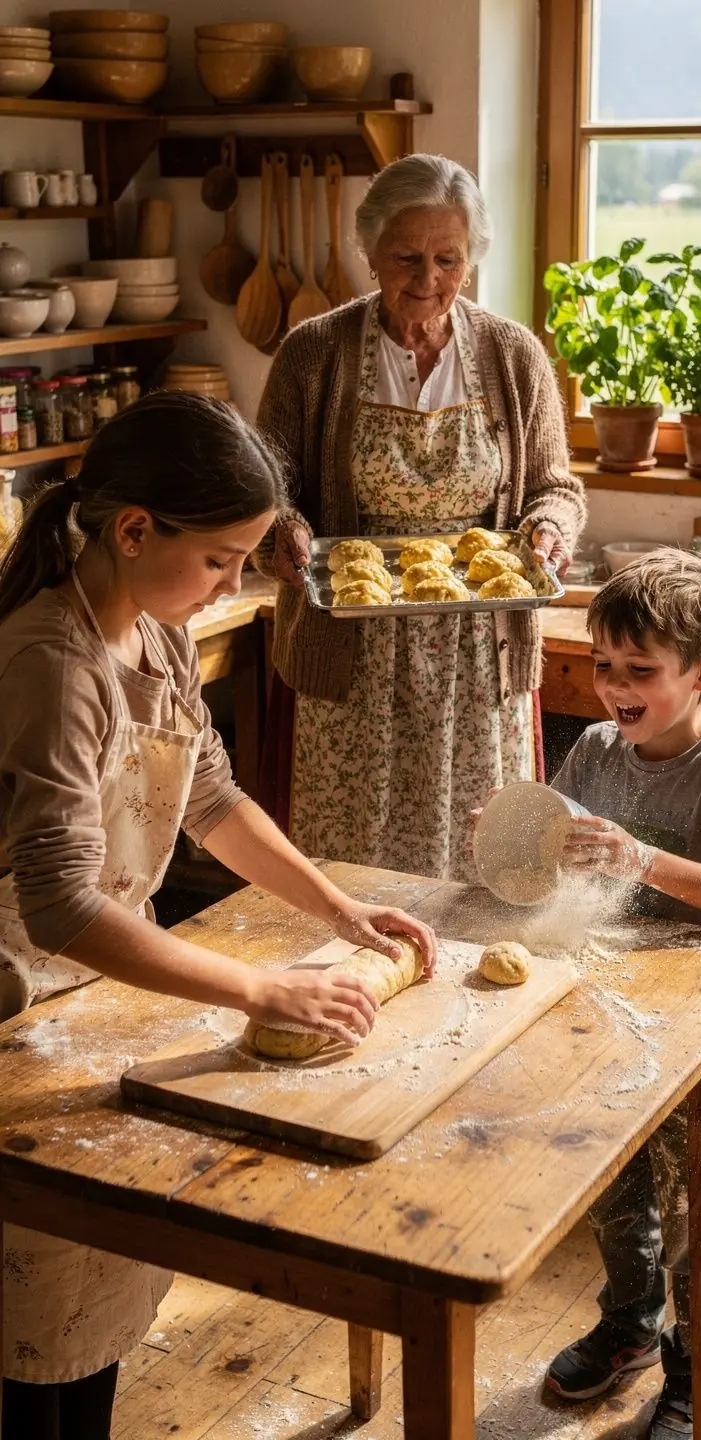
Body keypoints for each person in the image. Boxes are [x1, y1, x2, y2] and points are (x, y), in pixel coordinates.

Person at [0, 391, 436, 1440]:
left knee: (84, 1320)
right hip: (16, 1008)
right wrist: (263, 986)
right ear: (134, 529)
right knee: (33, 1335)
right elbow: (58, 904)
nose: (234, 586)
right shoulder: (54, 664)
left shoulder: (150, 633)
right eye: (222, 561)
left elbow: (211, 799)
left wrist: (340, 910)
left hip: (96, 994)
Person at [255, 152, 586, 882]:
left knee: (480, 858)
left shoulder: (512, 355)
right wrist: (280, 533)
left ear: (473, 258)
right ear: (368, 250)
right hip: (353, 655)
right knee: (352, 862)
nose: (428, 279)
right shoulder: (313, 353)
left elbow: (555, 486)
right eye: (406, 257)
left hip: (478, 655)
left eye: (448, 258)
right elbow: (265, 486)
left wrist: (550, 531)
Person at [543, 549, 701, 1440]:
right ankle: (630, 1326)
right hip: (610, 1008)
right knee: (617, 1185)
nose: (614, 687)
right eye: (603, 666)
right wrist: (517, 835)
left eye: (639, 670)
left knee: (692, 1207)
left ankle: (692, 1361)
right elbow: (551, 845)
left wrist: (642, 858)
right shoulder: (597, 749)